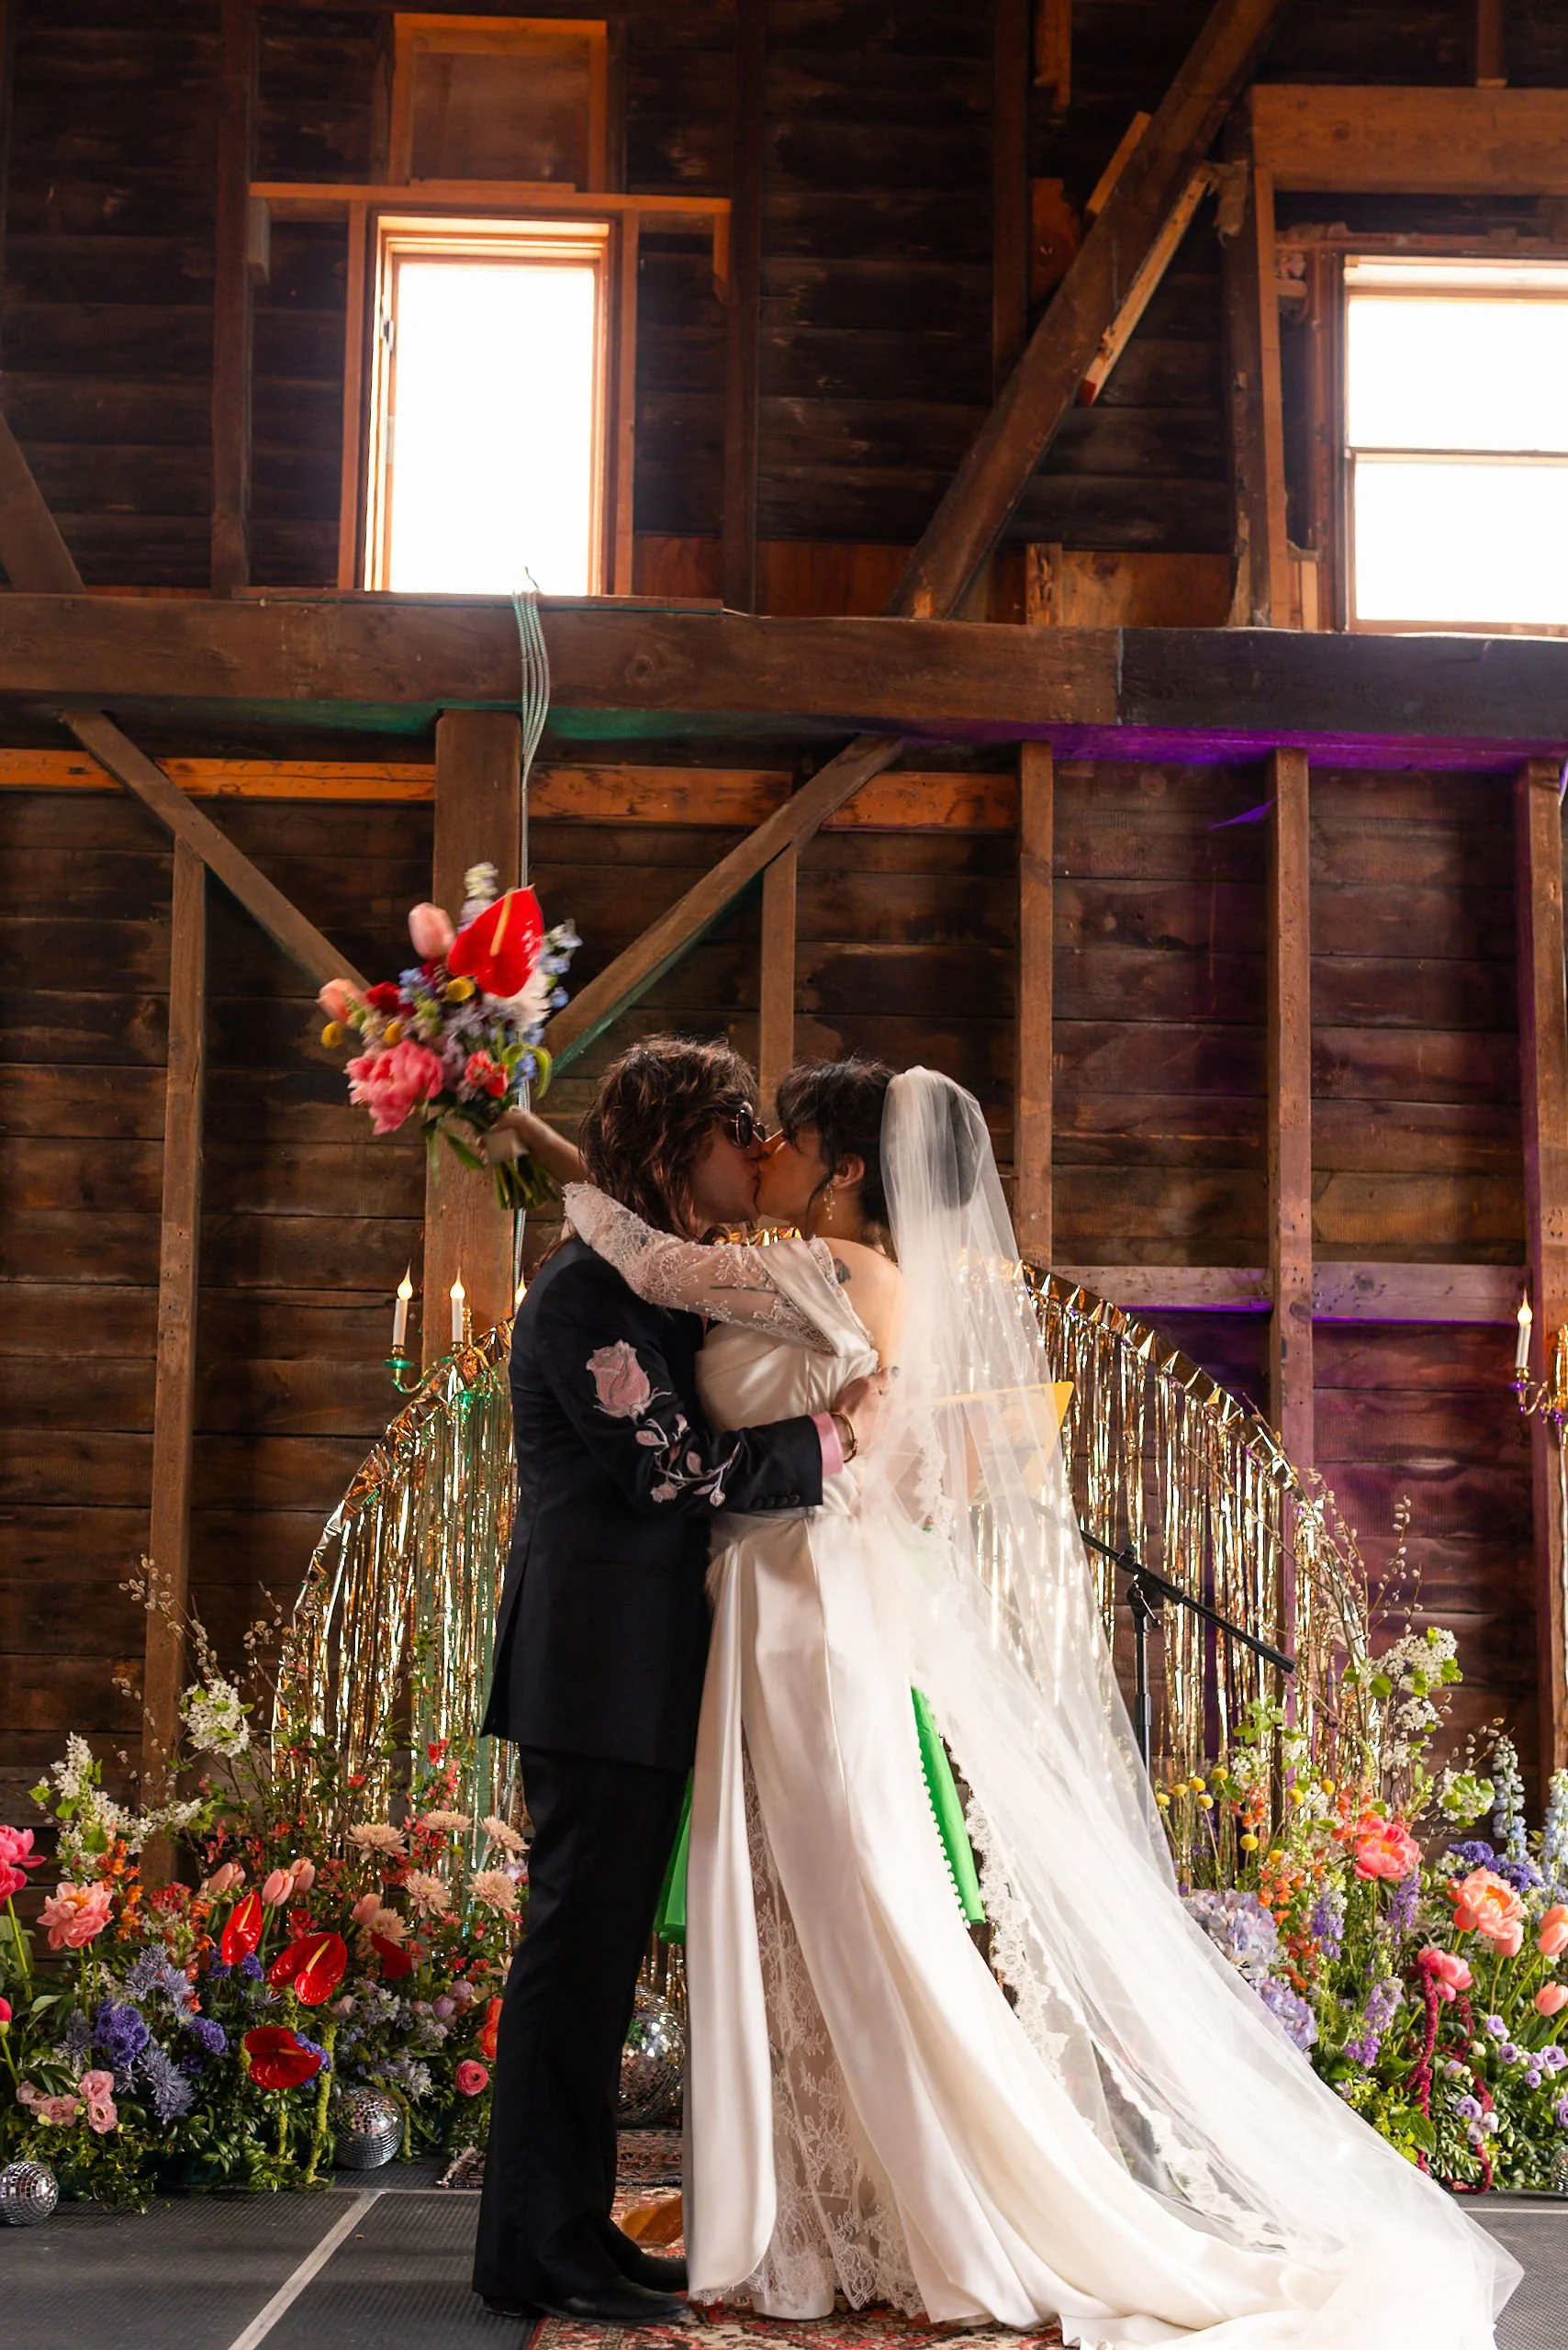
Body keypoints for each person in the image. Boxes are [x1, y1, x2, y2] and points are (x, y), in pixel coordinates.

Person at [561, 1057, 1519, 2349]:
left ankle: (945, 2206)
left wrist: (543, 1163)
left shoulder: (845, 1274)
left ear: (846, 1169)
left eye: (783, 1138)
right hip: (787, 1605)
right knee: (797, 1920)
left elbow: (660, 1269)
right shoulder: (841, 1283)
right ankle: (834, 2213)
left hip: (801, 1619)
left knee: (858, 1920)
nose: (767, 1156)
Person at [472, 1038, 884, 2328]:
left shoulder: (655, 1283)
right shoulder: (583, 1298)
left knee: (593, 1969)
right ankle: (540, 2251)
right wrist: (828, 1437)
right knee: (572, 1964)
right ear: (673, 1144)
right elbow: (674, 1471)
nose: (749, 1149)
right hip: (593, 1671)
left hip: (647, 1672)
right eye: (731, 1129)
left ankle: (563, 2231)